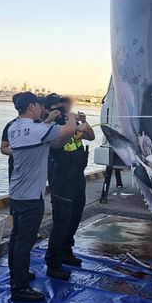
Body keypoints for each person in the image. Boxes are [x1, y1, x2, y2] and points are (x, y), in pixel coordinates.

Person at [7, 92, 76, 302]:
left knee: (16, 238)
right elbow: (68, 129)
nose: (40, 108)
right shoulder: (37, 129)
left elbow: (53, 143)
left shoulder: (13, 128)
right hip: (30, 197)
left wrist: (54, 124)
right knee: (24, 242)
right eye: (38, 105)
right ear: (31, 107)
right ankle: (19, 287)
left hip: (17, 193)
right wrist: (73, 117)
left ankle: (18, 274)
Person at [44, 94, 95, 280]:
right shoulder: (49, 126)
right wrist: (74, 126)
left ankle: (66, 251)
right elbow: (57, 144)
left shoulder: (70, 121)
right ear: (48, 110)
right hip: (61, 180)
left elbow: (90, 136)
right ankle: (53, 262)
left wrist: (84, 123)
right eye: (57, 108)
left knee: (75, 216)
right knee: (61, 221)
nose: (62, 111)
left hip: (77, 177)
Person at [0, 93, 22, 182]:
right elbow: (3, 148)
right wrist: (20, 153)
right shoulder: (10, 125)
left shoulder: (38, 124)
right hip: (15, 164)